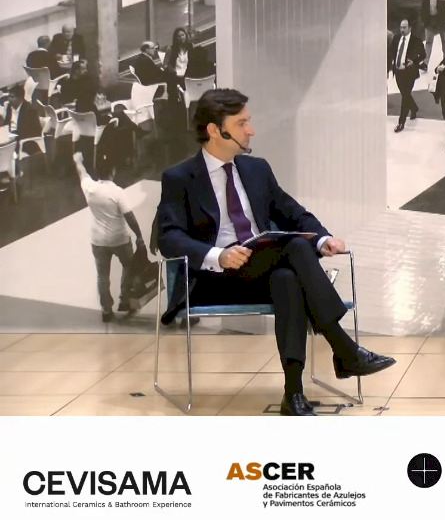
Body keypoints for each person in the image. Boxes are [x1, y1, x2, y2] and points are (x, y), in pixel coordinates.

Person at [156, 88, 397, 416]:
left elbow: (292, 212)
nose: (251, 130)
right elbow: (168, 237)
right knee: (294, 250)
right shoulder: (179, 178)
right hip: (214, 279)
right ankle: (344, 349)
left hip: (262, 273)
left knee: (287, 278)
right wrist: (217, 255)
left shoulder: (256, 169)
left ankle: (293, 393)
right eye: (242, 123)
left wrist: (323, 239)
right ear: (215, 130)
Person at [73, 151, 145, 323]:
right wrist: (139, 235)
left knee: (102, 276)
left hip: (98, 241)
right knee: (129, 266)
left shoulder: (89, 187)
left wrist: (78, 160)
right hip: (119, 239)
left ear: (97, 172)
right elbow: (129, 216)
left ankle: (106, 310)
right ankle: (125, 299)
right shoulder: (117, 192)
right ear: (113, 171)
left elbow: (82, 172)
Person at [388, 18, 427, 133]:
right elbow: (391, 51)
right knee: (405, 94)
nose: (402, 30)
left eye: (404, 27)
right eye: (401, 27)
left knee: (405, 96)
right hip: (398, 71)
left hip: (409, 72)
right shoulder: (396, 38)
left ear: (410, 28)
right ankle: (414, 108)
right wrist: (392, 63)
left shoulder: (416, 41)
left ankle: (401, 122)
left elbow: (423, 54)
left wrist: (414, 61)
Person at [2, 86, 43, 156]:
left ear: (20, 98)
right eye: (8, 96)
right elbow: (6, 123)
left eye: (12, 97)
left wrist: (15, 135)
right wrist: (5, 133)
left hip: (23, 140)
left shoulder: (30, 111)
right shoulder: (9, 106)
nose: (9, 99)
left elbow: (35, 131)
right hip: (10, 136)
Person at [421, 0, 445, 64]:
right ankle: (425, 63)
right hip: (429, 20)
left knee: (444, 42)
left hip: (442, 19)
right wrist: (423, 19)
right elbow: (424, 5)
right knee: (428, 42)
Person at [164, 26, 195, 93]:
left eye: (183, 35)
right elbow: (165, 64)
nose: (181, 37)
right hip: (176, 75)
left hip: (189, 74)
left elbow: (194, 60)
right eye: (178, 36)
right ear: (175, 38)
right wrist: (172, 70)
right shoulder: (171, 49)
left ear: (186, 36)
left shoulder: (191, 46)